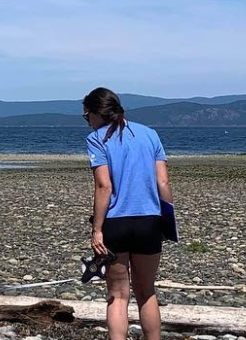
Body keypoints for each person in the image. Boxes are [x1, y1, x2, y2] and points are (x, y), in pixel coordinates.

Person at [83, 87, 173, 340]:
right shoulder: (150, 135)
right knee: (147, 292)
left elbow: (104, 186)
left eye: (86, 116)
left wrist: (97, 229)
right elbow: (164, 183)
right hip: (150, 221)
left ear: (97, 113)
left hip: (115, 223)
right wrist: (167, 222)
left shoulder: (97, 139)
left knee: (118, 295)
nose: (87, 122)